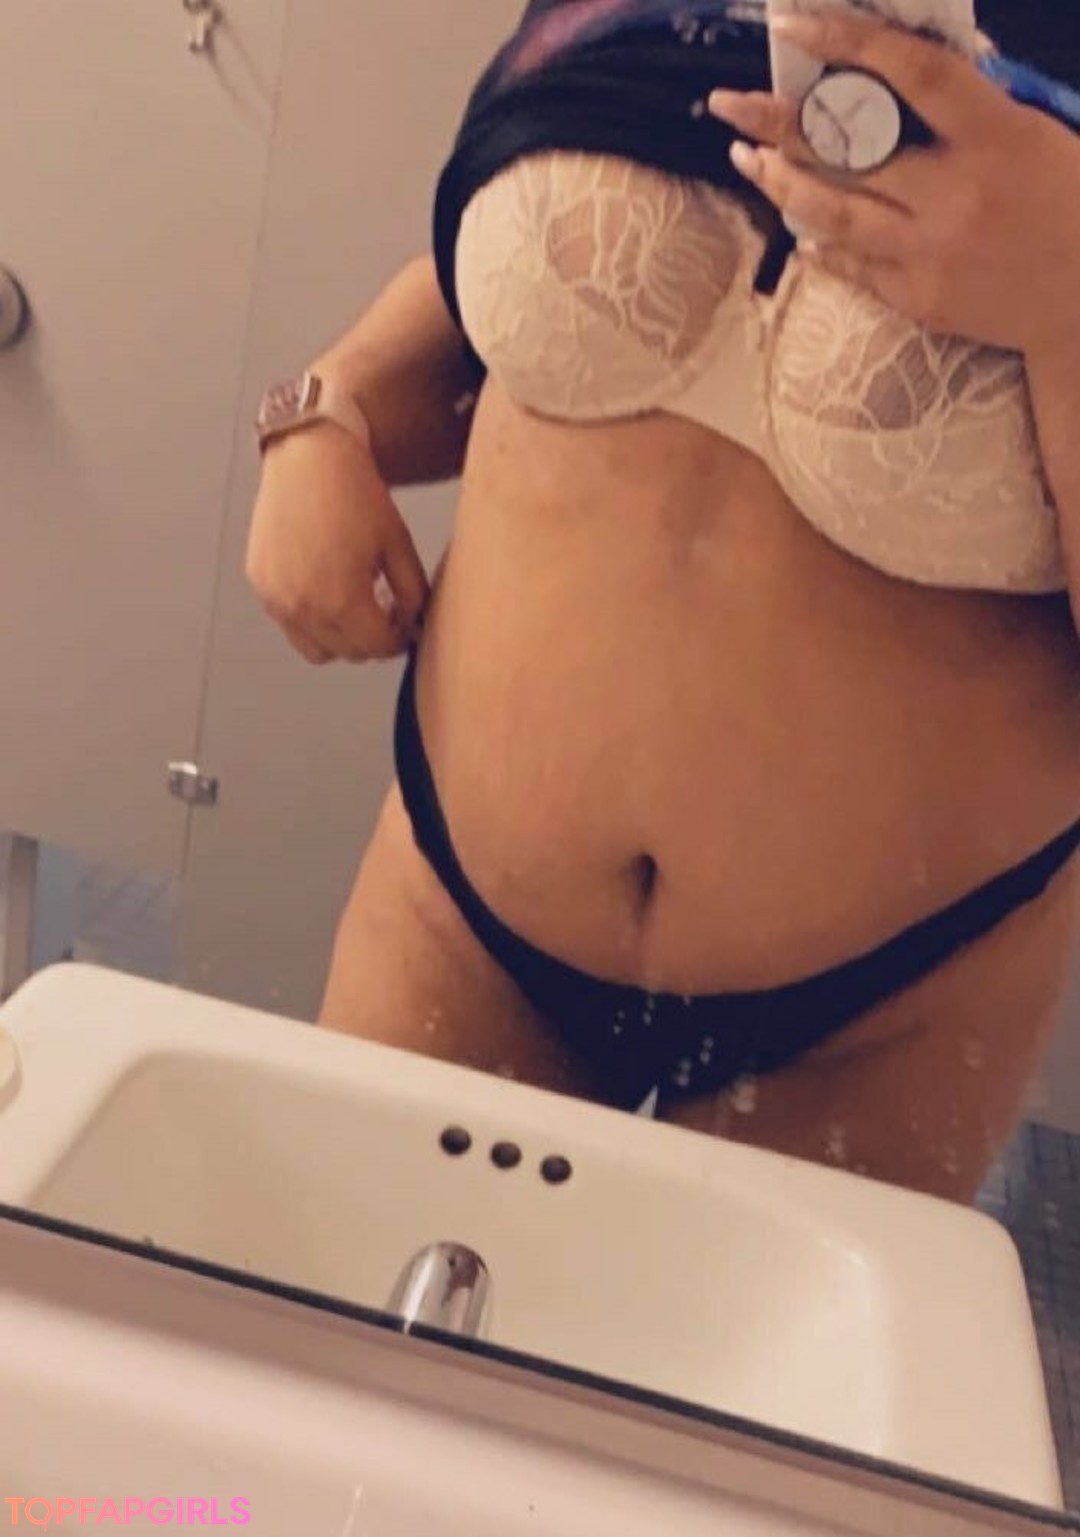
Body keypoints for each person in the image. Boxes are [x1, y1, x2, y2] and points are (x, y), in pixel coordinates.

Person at [246, 0, 1080, 1204]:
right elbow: (514, 266)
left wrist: (1069, 299)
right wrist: (326, 412)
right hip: (460, 912)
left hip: (880, 1019)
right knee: (329, 1313)